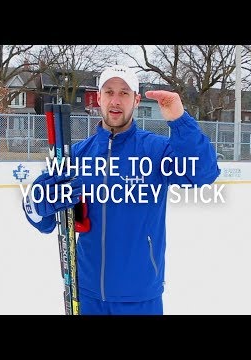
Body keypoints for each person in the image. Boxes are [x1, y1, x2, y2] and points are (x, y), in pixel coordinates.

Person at [23, 65, 220, 315]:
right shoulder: (77, 155)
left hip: (140, 297)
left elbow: (203, 173)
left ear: (136, 100)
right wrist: (40, 198)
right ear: (99, 98)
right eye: (109, 92)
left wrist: (180, 120)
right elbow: (38, 217)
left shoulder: (156, 151)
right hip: (86, 294)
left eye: (125, 93)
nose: (116, 101)